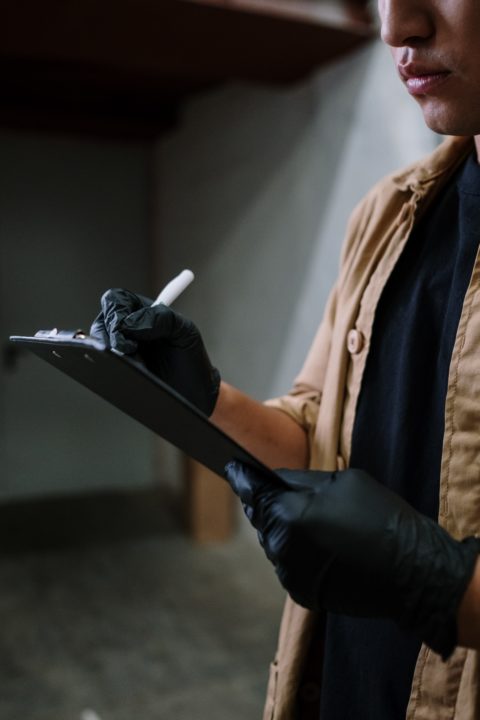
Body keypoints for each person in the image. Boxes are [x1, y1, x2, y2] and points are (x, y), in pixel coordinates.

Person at [90, 1, 480, 717]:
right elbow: (314, 438)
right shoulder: (387, 215)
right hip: (346, 684)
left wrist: (449, 586)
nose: (398, 27)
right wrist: (203, 396)